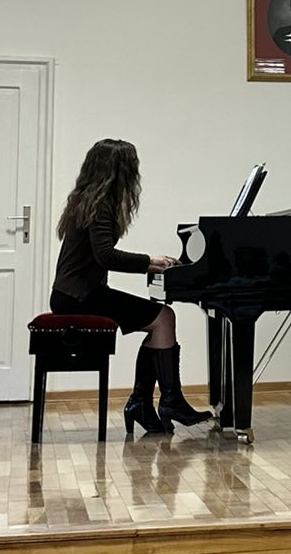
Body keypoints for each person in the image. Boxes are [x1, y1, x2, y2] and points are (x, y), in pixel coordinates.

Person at [49, 138, 212, 437]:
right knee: (163, 317)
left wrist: (151, 264)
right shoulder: (100, 205)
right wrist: (151, 261)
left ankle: (144, 403)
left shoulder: (86, 200)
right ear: (121, 171)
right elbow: (106, 256)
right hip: (79, 297)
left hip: (72, 294)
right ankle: (166, 401)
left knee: (160, 319)